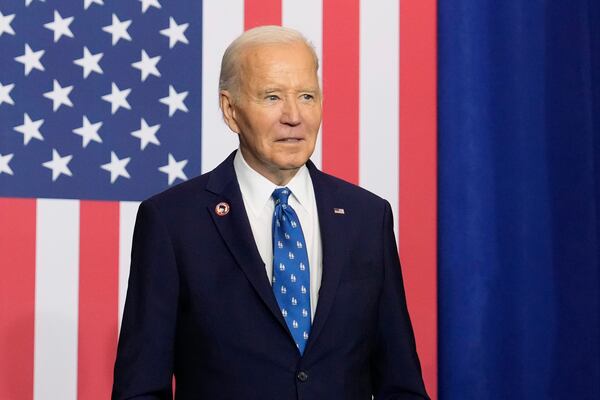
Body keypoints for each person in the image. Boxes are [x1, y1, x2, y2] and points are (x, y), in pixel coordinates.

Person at [112, 25, 429, 400]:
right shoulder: (172, 221)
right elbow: (141, 389)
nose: (294, 116)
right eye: (273, 96)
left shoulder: (367, 217)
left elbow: (400, 384)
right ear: (231, 111)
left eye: (307, 96)